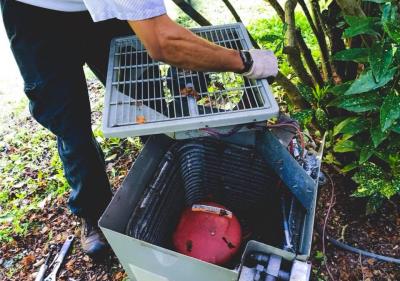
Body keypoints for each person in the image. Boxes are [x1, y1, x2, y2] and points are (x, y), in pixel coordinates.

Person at [0, 0, 278, 258]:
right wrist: (245, 62)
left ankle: (176, 183)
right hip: (33, 15)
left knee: (146, 103)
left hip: (107, 14)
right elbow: (163, 42)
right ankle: (92, 211)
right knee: (70, 125)